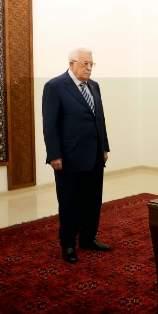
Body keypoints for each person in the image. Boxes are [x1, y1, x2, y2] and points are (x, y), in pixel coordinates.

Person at [42, 46, 111, 263]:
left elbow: (99, 118)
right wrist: (54, 155)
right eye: (85, 64)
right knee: (70, 202)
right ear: (72, 64)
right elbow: (50, 124)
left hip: (94, 155)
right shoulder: (55, 86)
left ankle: (88, 238)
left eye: (92, 64)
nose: (89, 68)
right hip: (69, 157)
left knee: (92, 200)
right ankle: (68, 244)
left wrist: (104, 147)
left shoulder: (94, 86)